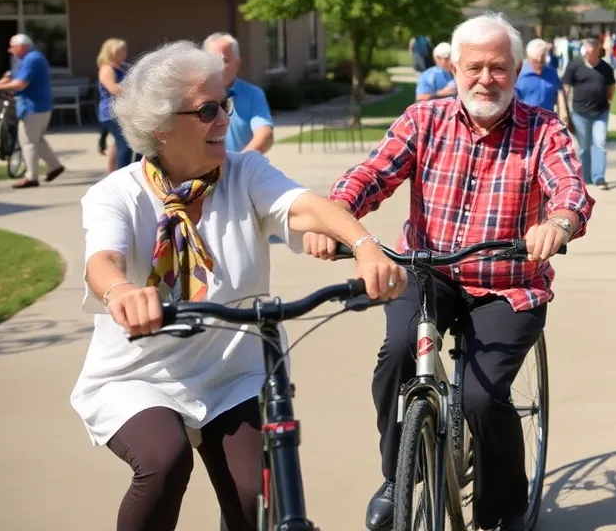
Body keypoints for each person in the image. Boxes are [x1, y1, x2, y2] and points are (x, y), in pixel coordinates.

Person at [68, 41, 405, 531]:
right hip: (139, 374)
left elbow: (306, 206)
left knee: (254, 495)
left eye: (224, 103)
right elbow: (103, 261)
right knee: (165, 462)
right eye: (207, 110)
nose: (225, 118)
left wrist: (366, 246)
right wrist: (122, 292)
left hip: (234, 372)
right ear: (161, 127)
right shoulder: (115, 194)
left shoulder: (244, 172)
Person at [306, 12, 593, 531]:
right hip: (426, 271)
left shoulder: (543, 129)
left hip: (509, 284)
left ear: (514, 71)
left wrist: (559, 221)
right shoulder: (424, 120)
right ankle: (398, 474)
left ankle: (504, 507)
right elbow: (372, 173)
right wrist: (336, 218)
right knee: (396, 357)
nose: (487, 79)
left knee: (484, 398)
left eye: (499, 68)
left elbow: (569, 186)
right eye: (475, 67)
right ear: (454, 68)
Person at [0, 33, 64, 188]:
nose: (10, 51)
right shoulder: (27, 59)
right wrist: (0, 83)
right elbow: (12, 75)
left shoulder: (32, 59)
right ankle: (55, 166)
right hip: (38, 106)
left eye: (12, 47)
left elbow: (20, 84)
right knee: (36, 139)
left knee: (28, 142)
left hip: (33, 107)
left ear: (21, 46)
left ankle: (31, 177)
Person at [202, 33, 274, 154]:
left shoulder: (253, 95)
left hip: (241, 169)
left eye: (225, 61)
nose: (219, 67)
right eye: (213, 61)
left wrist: (237, 164)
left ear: (238, 64)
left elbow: (265, 135)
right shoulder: (193, 95)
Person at [562, 36, 615, 190]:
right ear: (585, 51)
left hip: (601, 111)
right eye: (589, 51)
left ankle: (599, 177)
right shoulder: (575, 65)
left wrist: (609, 101)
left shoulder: (605, 67)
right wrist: (564, 108)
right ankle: (585, 177)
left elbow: (611, 85)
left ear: (598, 51)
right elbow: (566, 86)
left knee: (600, 143)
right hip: (580, 112)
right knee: (584, 146)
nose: (591, 54)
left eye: (594, 51)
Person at [97, 38, 135, 174]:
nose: (124, 53)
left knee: (117, 144)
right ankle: (121, 174)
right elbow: (113, 88)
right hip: (111, 112)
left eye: (124, 50)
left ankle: (110, 173)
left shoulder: (123, 66)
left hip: (123, 110)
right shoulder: (107, 68)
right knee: (125, 144)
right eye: (120, 51)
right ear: (111, 52)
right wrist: (134, 91)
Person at [515, 38, 564, 116]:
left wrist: (563, 115)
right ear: (529, 57)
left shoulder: (552, 73)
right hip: (526, 121)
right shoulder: (519, 75)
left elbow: (559, 94)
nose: (539, 61)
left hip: (548, 121)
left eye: (542, 58)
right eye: (536, 60)